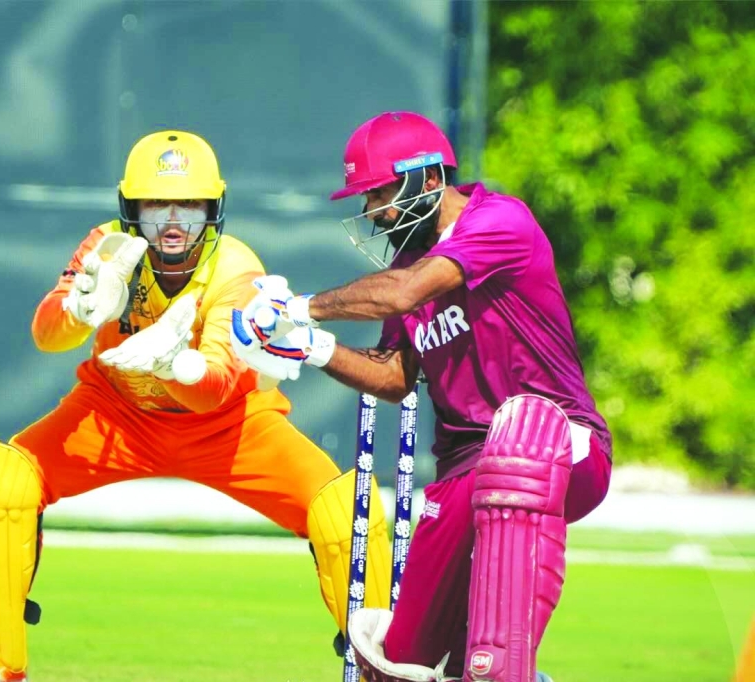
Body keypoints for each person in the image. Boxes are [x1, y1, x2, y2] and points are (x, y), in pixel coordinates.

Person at [0, 130, 393, 682]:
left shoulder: (236, 268)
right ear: (130, 207)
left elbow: (218, 387)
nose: (173, 221)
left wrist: (172, 365)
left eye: (189, 205)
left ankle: (381, 669)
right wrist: (81, 312)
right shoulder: (109, 245)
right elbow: (45, 333)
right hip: (115, 412)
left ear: (214, 207)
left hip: (230, 427)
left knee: (349, 513)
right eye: (156, 205)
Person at [231, 111, 613, 682]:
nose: (373, 212)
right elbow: (394, 376)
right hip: (463, 477)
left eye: (380, 192)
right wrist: (312, 349)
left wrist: (301, 307)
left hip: (558, 446)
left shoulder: (499, 221)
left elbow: (404, 294)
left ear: (429, 179)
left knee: (490, 649)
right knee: (402, 664)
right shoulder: (407, 266)